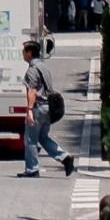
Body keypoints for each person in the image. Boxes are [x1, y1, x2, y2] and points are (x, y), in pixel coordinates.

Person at [21, 37, 73, 178]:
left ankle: (32, 169)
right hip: (48, 107)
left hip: (38, 108)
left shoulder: (32, 70)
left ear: (30, 53)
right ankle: (65, 157)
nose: (22, 54)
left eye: (24, 51)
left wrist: (29, 110)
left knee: (30, 139)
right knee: (43, 138)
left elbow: (32, 91)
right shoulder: (44, 67)